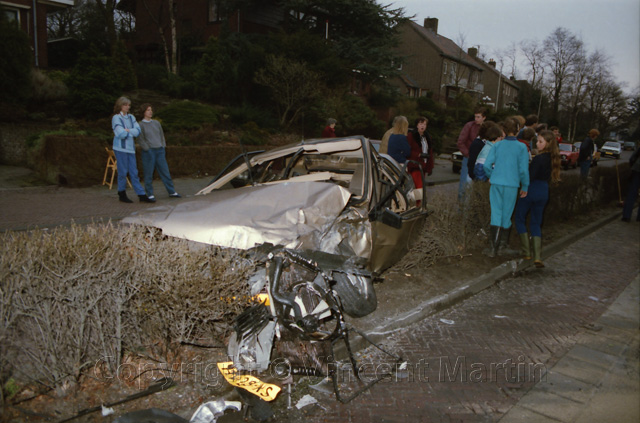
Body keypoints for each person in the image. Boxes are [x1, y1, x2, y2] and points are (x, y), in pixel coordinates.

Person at [483, 117, 530, 257]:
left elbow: (486, 165)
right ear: (517, 130)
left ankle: (493, 248)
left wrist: (492, 175)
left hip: (496, 183)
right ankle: (502, 246)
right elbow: (523, 170)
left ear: (503, 130)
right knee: (506, 215)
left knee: (495, 213)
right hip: (511, 184)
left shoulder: (497, 145)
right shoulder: (522, 147)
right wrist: (525, 186)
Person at [514, 130, 561, 267]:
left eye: (540, 141)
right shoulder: (554, 158)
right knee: (536, 222)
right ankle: (538, 256)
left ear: (548, 144)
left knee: (520, 218)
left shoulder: (539, 159)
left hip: (532, 189)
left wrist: (523, 187)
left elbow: (530, 176)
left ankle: (526, 251)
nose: (537, 144)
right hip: (543, 191)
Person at [111, 97, 153, 203]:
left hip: (130, 148)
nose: (127, 107)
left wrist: (127, 130)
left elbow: (137, 131)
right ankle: (122, 193)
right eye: (125, 104)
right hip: (120, 148)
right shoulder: (116, 118)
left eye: (128, 105)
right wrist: (130, 132)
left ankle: (141, 194)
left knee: (134, 172)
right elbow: (120, 133)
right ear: (120, 105)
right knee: (123, 172)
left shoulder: (131, 117)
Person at [138, 103, 181, 201]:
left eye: (151, 110)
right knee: (148, 174)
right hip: (149, 152)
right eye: (148, 110)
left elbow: (162, 135)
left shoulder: (156, 123)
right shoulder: (140, 125)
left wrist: (163, 146)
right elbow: (141, 139)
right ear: (144, 112)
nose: (150, 112)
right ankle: (150, 194)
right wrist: (147, 149)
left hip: (160, 151)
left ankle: (172, 192)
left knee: (165, 172)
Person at [457, 107, 487, 201]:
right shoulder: (469, 126)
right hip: (469, 158)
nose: (476, 119)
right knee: (464, 185)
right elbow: (460, 142)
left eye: (478, 117)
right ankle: (461, 209)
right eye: (475, 117)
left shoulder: (486, 128)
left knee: (478, 186)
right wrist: (469, 155)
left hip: (481, 160)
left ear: (484, 117)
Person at [407, 116, 434, 188]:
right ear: (417, 125)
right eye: (421, 124)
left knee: (420, 186)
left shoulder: (427, 137)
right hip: (415, 165)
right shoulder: (411, 136)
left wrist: (430, 167)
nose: (423, 126)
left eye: (425, 124)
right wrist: (419, 155)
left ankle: (419, 199)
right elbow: (407, 150)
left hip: (424, 166)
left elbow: (430, 152)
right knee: (417, 186)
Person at [621, 146, 640, 222]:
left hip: (637, 169)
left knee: (632, 192)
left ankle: (626, 216)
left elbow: (632, 158)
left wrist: (633, 166)